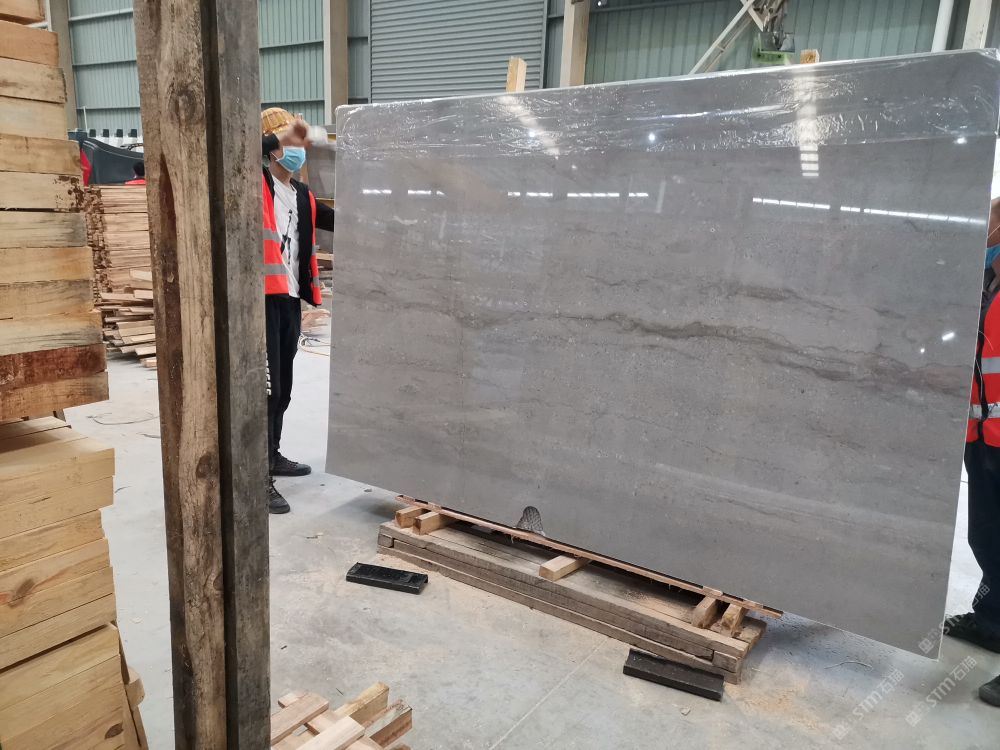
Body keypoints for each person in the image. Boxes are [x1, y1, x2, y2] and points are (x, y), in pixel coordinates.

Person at [261, 108, 334, 514]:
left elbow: (337, 219)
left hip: (289, 301)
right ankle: (257, 477)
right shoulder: (254, 182)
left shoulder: (302, 195)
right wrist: (284, 137)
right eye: (287, 142)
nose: (296, 150)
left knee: (283, 389)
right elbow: (237, 154)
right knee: (266, 390)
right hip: (259, 303)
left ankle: (271, 455)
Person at [945, 198, 1000, 707]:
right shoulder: (987, 285)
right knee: (985, 537)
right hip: (983, 436)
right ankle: (992, 623)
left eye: (991, 224)